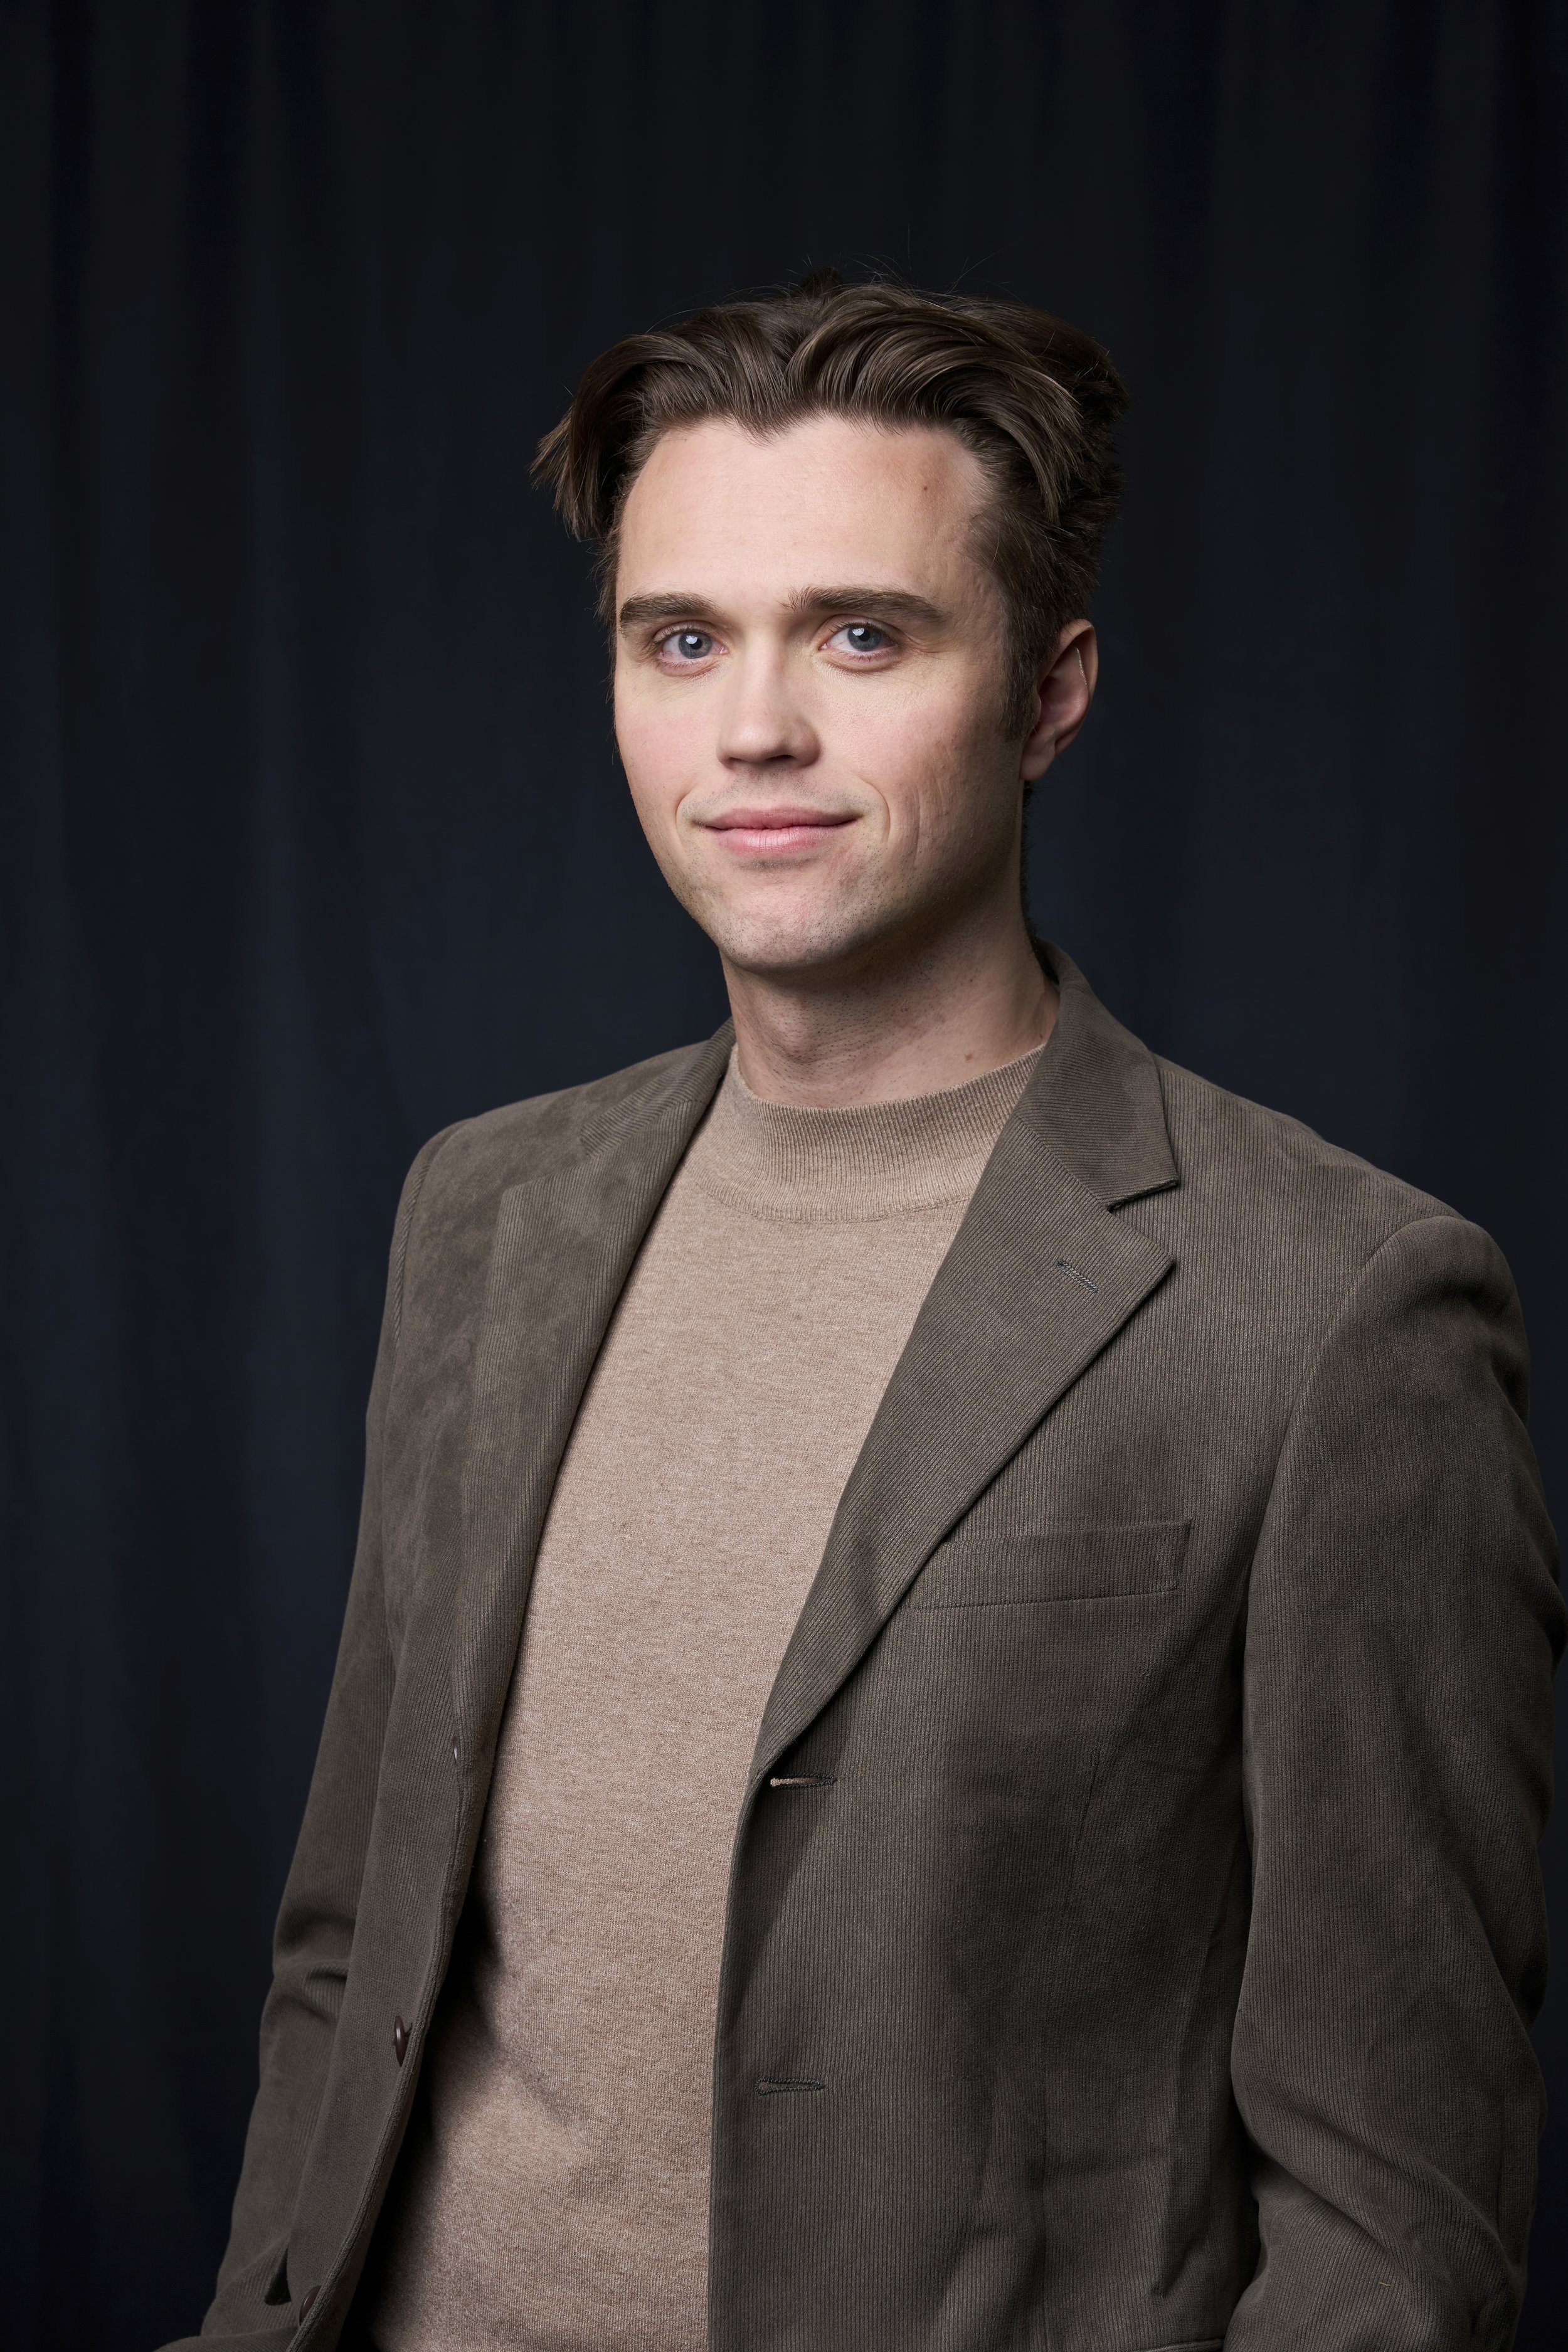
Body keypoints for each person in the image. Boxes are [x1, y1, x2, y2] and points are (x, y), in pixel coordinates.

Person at [174, 275, 1562, 2352]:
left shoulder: (1340, 1307)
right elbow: (349, 1940)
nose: (753, 729)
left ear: (1048, 693)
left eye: (860, 635)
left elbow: (1391, 2220)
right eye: (680, 640)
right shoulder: (485, 1211)